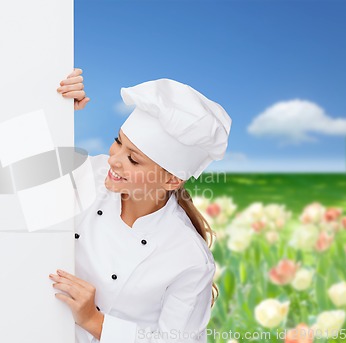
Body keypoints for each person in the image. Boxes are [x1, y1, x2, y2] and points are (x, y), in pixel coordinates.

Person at [49, 68, 231, 343]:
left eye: (133, 159)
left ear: (171, 179)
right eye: (118, 142)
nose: (113, 160)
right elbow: (25, 177)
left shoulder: (189, 258)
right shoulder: (90, 174)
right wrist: (58, 110)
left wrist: (94, 320)